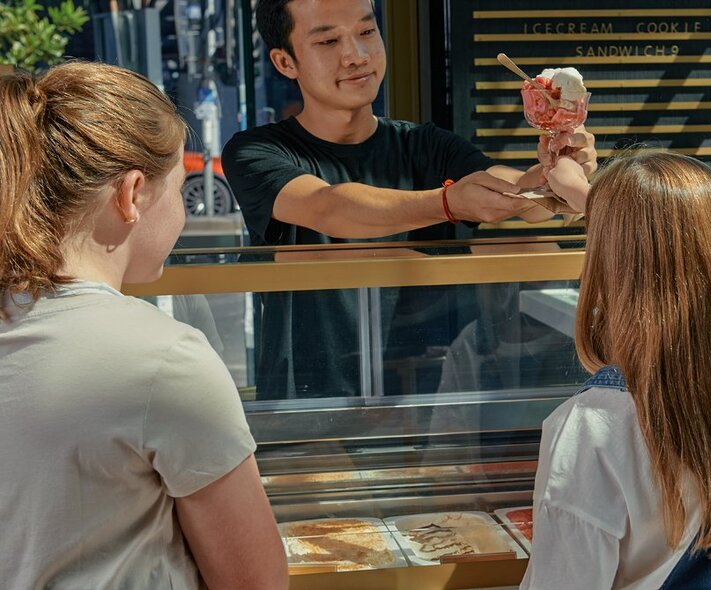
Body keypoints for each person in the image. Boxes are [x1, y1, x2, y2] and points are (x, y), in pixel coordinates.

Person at [0, 62, 288, 589]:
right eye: (177, 188)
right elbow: (257, 581)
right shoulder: (163, 359)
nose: (182, 211)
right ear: (131, 194)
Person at [221, 0, 598, 399]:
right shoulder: (256, 152)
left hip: (423, 401)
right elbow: (328, 207)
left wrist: (552, 174)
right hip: (308, 405)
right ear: (285, 62)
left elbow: (504, 187)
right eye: (329, 41)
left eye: (367, 32)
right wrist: (448, 203)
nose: (357, 56)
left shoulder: (425, 144)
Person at [520, 151, 711, 589]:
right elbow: (692, 260)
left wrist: (604, 211)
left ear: (608, 265)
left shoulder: (591, 430)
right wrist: (598, 202)